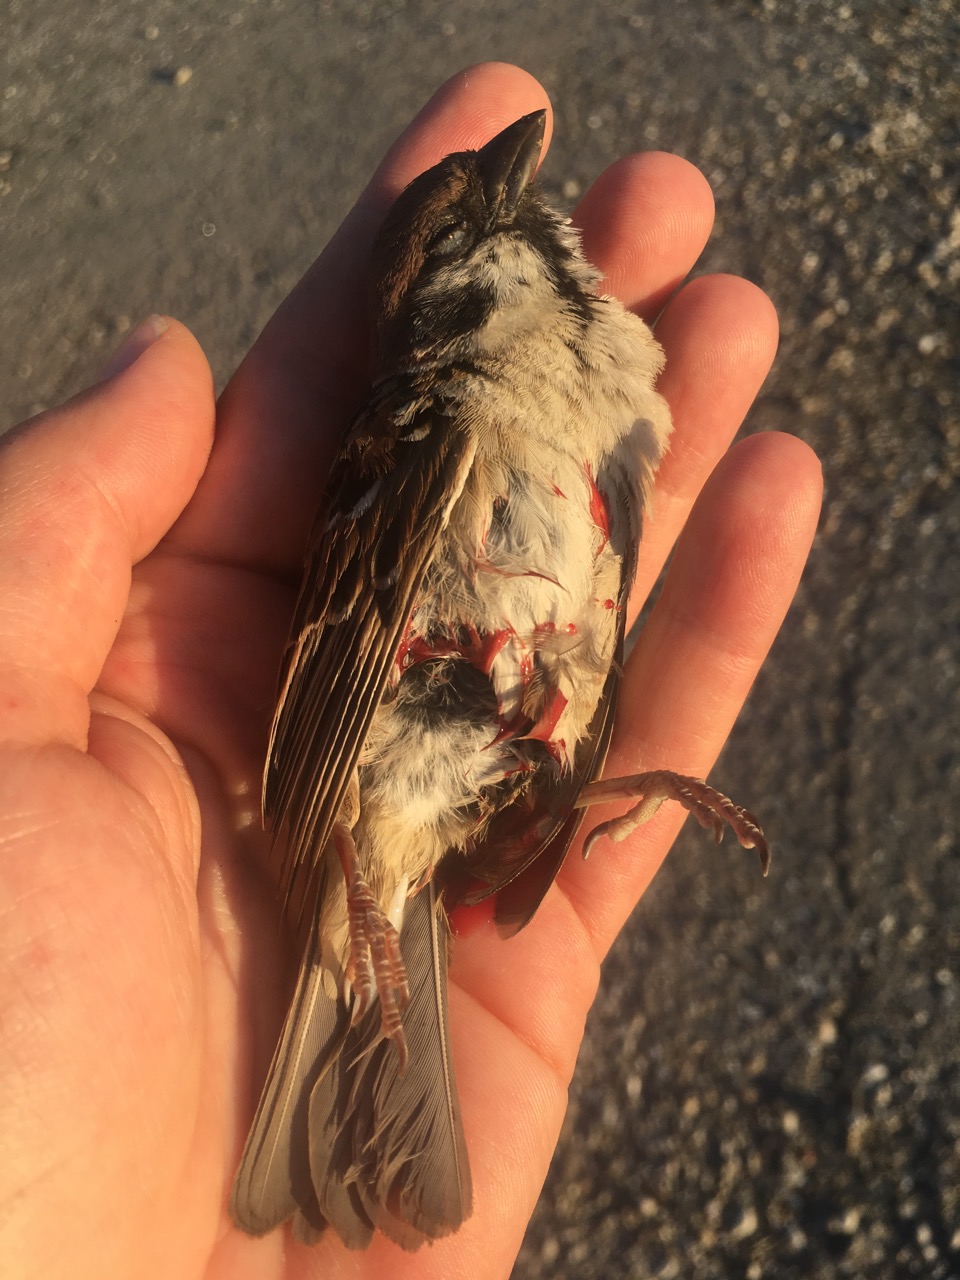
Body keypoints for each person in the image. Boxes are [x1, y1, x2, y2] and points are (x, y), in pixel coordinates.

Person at [0, 63, 821, 1279]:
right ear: (451, 301)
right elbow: (342, 666)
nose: (523, 200)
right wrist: (355, 902)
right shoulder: (430, 422)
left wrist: (597, 777)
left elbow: (583, 643)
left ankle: (495, 869)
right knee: (411, 867)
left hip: (468, 757)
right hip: (369, 805)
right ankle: (372, 964)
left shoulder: (611, 415)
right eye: (475, 230)